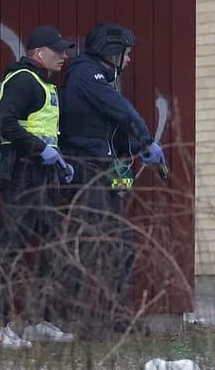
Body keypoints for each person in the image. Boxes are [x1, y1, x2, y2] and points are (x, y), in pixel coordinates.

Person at [58, 22, 165, 337]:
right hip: (86, 171)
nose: (129, 60)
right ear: (111, 51)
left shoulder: (99, 79)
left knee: (120, 244)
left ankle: (118, 317)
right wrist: (146, 139)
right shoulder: (85, 75)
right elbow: (123, 112)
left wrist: (136, 149)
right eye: (127, 53)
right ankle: (82, 321)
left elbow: (109, 135)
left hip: (100, 168)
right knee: (93, 244)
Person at [0, 25, 76, 348]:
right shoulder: (24, 79)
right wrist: (41, 150)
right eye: (58, 51)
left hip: (42, 176)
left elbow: (44, 130)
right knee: (11, 250)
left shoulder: (44, 83)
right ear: (39, 53)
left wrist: (59, 162)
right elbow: (3, 122)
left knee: (52, 247)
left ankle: (39, 320)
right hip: (22, 176)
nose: (64, 56)